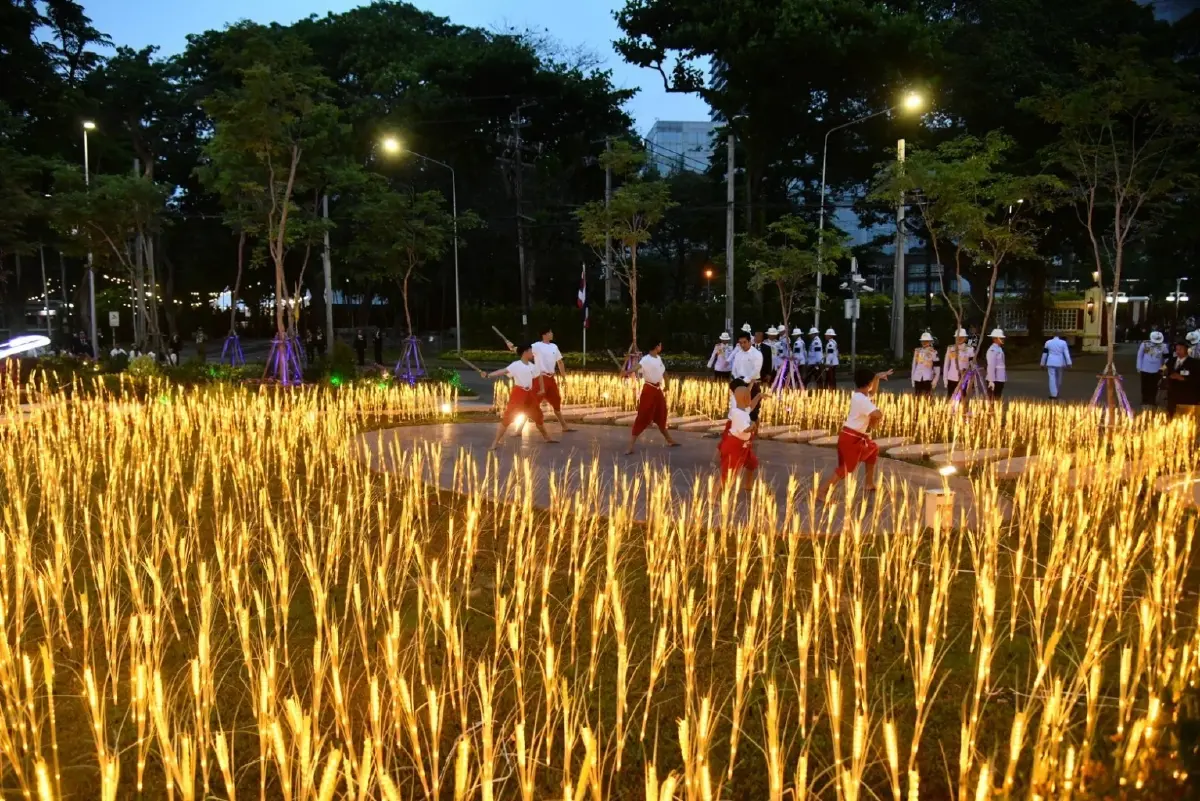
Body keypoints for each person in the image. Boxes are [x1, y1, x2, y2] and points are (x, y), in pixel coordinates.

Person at [815, 367, 894, 499]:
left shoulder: (859, 395)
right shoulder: (862, 400)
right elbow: (878, 414)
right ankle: (822, 491)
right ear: (868, 383)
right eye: (872, 382)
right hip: (851, 438)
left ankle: (869, 483)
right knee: (848, 467)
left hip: (854, 436)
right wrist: (874, 419)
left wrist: (876, 378)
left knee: (872, 450)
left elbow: (872, 393)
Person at [480, 344, 556, 449]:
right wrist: (489, 375)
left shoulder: (532, 366)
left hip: (529, 394)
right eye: (530, 351)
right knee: (508, 417)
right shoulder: (516, 365)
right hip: (518, 393)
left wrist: (542, 389)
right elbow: (503, 371)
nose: (532, 353)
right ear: (525, 352)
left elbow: (539, 376)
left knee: (537, 416)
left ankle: (547, 437)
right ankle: (495, 443)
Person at [626, 341, 679, 454]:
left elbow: (664, 372)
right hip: (649, 390)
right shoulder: (646, 359)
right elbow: (637, 367)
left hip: (657, 391)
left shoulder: (658, 358)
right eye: (660, 345)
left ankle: (669, 440)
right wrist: (627, 371)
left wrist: (667, 385)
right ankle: (630, 446)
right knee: (643, 416)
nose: (661, 347)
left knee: (662, 414)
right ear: (656, 346)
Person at [718, 384, 764, 490]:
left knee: (752, 463)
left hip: (744, 445)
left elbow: (751, 407)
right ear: (744, 398)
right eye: (749, 396)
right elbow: (746, 429)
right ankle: (715, 493)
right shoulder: (738, 414)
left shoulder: (743, 410)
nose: (750, 398)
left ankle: (748, 485)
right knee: (729, 473)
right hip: (735, 446)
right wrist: (753, 425)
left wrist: (758, 397)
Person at [531, 327, 574, 432]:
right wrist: (512, 347)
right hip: (540, 378)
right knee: (534, 403)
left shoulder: (554, 347)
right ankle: (519, 430)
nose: (552, 334)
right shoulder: (536, 346)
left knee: (556, 401)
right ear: (544, 335)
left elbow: (560, 362)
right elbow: (522, 350)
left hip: (551, 378)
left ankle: (564, 426)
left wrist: (563, 377)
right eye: (550, 332)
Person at [730, 331, 765, 422]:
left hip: (752, 384)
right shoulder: (738, 354)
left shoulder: (756, 354)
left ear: (750, 341)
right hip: (739, 385)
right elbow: (734, 369)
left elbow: (756, 370)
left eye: (744, 342)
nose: (742, 345)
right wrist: (737, 381)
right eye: (740, 343)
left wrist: (745, 381)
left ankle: (754, 430)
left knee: (753, 412)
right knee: (740, 410)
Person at [1166, 341, 1200, 419]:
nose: (1178, 351)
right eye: (1177, 349)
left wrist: (1184, 378)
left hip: (1187, 395)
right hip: (1173, 394)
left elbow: (1197, 378)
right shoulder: (1171, 360)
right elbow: (1163, 370)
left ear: (1187, 350)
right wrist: (1167, 375)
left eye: (1180, 349)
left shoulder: (1195, 363)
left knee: (1186, 418)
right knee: (1172, 416)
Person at [1136, 331, 1167, 408]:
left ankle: (1152, 400)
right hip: (1145, 368)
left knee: (1155, 386)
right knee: (1145, 385)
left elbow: (1167, 358)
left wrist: (1163, 368)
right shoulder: (1145, 344)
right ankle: (1145, 400)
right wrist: (1139, 366)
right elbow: (1140, 356)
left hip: (1157, 369)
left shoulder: (1163, 346)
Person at [943, 328, 975, 397]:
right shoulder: (950, 348)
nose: (960, 339)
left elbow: (972, 366)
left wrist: (970, 381)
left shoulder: (970, 349)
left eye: (962, 337)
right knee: (951, 398)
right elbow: (946, 365)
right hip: (952, 378)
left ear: (965, 338)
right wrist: (945, 379)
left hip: (964, 378)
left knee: (962, 399)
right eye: (958, 337)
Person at [1040, 333, 1072, 400]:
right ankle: (1057, 391)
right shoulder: (1063, 343)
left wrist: (1042, 363)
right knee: (1059, 377)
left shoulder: (1048, 342)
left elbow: (1045, 353)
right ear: (1060, 336)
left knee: (1051, 378)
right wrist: (1069, 363)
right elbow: (1066, 353)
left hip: (1051, 361)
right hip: (1060, 362)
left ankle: (1053, 394)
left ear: (1053, 335)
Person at [911, 332, 940, 397]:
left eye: (926, 341)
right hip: (917, 377)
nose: (924, 342)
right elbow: (914, 366)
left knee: (927, 397)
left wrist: (935, 380)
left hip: (927, 378)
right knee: (917, 397)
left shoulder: (934, 352)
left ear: (930, 342)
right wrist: (913, 379)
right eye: (923, 341)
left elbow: (937, 367)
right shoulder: (917, 351)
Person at [985, 329, 1007, 399]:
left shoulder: (998, 349)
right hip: (995, 379)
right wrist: (991, 380)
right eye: (1001, 338)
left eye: (1002, 338)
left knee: (997, 397)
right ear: (995, 339)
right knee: (993, 399)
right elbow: (991, 365)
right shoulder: (993, 350)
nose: (1003, 339)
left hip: (1000, 378)